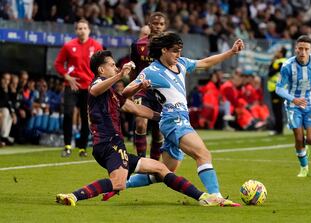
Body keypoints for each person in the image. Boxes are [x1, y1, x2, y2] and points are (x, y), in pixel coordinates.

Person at [55, 50, 236, 207]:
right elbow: (94, 90)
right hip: (108, 145)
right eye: (112, 65)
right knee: (118, 182)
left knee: (161, 168)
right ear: (101, 70)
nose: (116, 68)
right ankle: (73, 196)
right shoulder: (96, 84)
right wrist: (119, 76)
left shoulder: (112, 95)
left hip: (116, 146)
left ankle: (204, 197)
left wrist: (161, 114)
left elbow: (136, 109)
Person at [119, 32, 244, 201]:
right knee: (203, 154)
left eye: (180, 50)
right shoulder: (151, 71)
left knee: (162, 172)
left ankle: (119, 184)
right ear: (164, 50)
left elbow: (205, 62)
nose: (179, 55)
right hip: (173, 120)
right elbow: (125, 92)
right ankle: (216, 197)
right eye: (175, 51)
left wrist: (231, 52)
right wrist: (140, 85)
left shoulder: (182, 63)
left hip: (179, 120)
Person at [275, 35, 311, 177]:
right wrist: (293, 99)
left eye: (306, 49)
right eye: (300, 48)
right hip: (293, 106)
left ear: (310, 50)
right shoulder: (288, 66)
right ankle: (304, 167)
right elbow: (279, 88)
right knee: (299, 138)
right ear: (295, 49)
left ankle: (304, 148)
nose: (303, 52)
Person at [54, 18, 103, 157]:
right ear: (76, 30)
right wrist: (67, 77)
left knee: (85, 116)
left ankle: (82, 148)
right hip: (72, 85)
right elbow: (58, 64)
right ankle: (67, 146)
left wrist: (97, 81)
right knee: (68, 114)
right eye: (79, 28)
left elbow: (103, 66)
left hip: (89, 87)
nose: (82, 31)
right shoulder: (68, 46)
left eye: (84, 28)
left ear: (89, 30)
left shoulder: (97, 46)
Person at [130, 12, 167, 160]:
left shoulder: (169, 45)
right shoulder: (138, 45)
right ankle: (140, 161)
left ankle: (154, 164)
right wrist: (132, 89)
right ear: (149, 25)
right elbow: (134, 69)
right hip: (142, 91)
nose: (158, 26)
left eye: (161, 24)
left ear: (165, 26)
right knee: (140, 124)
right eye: (155, 23)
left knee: (158, 132)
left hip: (162, 92)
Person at [267, 47, 287, 135]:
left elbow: (271, 72)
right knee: (276, 110)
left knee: (277, 110)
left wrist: (273, 61)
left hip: (277, 89)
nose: (276, 52)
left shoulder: (281, 62)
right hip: (275, 89)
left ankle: (278, 129)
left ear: (281, 53)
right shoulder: (280, 61)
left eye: (278, 51)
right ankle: (277, 128)